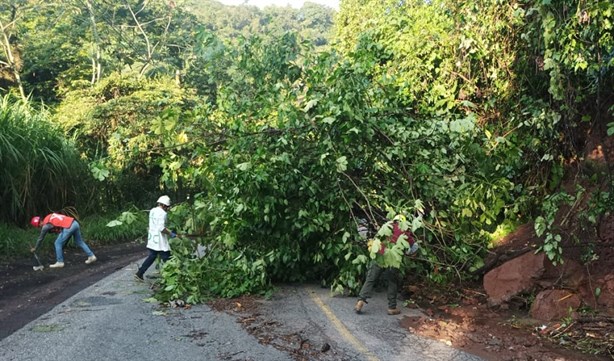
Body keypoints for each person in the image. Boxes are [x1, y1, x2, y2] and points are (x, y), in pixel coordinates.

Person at [354, 218, 419, 315]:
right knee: (392, 281)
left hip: (380, 254)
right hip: (393, 257)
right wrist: (409, 253)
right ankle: (392, 307)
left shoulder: (386, 226)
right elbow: (413, 248)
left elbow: (376, 238)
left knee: (371, 278)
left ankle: (360, 302)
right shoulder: (405, 232)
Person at [30, 213, 97, 268]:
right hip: (74, 223)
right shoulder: (49, 216)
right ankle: (91, 256)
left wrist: (35, 248)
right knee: (79, 241)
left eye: (39, 226)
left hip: (68, 227)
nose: (40, 227)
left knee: (57, 243)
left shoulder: (45, 226)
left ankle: (60, 262)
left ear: (39, 224)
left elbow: (40, 238)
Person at [134, 195, 176, 281]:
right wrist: (170, 233)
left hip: (153, 238)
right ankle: (172, 277)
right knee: (167, 258)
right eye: (167, 207)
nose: (167, 208)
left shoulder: (153, 210)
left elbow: (156, 225)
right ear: (164, 205)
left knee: (151, 256)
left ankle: (139, 273)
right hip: (159, 241)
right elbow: (161, 228)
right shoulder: (163, 213)